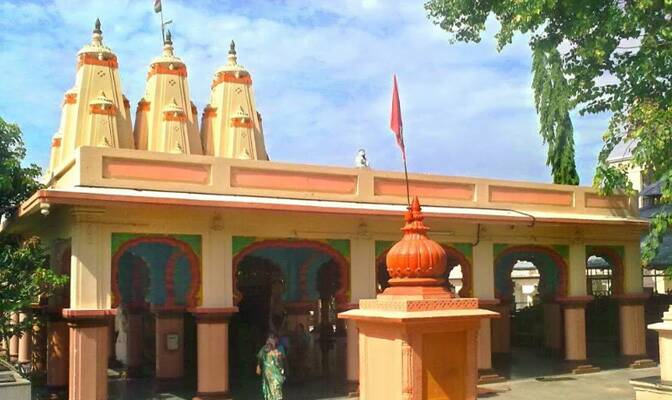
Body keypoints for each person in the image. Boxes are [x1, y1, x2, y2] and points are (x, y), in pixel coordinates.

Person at [257, 335, 286, 400]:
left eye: (271, 341)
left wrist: (278, 358)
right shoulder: (263, 350)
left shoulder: (277, 352)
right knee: (267, 390)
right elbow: (259, 357)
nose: (268, 343)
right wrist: (258, 366)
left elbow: (281, 364)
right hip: (266, 375)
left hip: (275, 375)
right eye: (267, 341)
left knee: (276, 389)